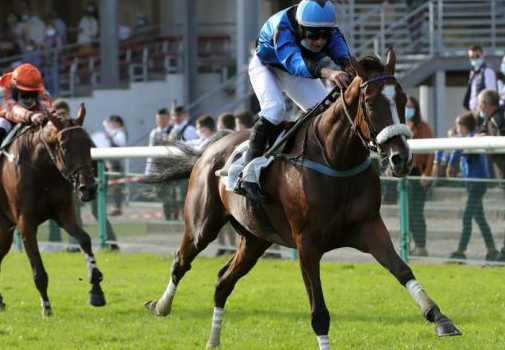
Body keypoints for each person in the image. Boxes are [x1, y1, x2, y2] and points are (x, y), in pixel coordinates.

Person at [235, 0, 351, 202]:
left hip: (294, 71)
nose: (320, 41)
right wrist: (329, 72)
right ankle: (248, 174)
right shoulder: (283, 26)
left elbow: (345, 57)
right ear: (299, 27)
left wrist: (353, 70)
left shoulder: (329, 31)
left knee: (326, 110)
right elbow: (294, 62)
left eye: (325, 35)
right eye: (313, 34)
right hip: (267, 67)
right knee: (275, 109)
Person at [446, 112, 498, 261]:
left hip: (477, 183)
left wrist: (450, 165)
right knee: (479, 218)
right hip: (472, 183)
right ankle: (492, 249)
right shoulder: (467, 138)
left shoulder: (470, 138)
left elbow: (457, 149)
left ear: (464, 126)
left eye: (458, 126)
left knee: (467, 217)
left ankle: (461, 251)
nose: (457, 129)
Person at [475, 89, 505, 261]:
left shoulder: (498, 118)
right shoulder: (493, 118)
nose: (478, 107)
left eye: (479, 103)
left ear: (485, 104)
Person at [405, 96, 434, 257]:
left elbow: (430, 152)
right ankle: (410, 245)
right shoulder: (403, 125)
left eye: (410, 106)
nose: (407, 109)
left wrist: (427, 173)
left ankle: (421, 245)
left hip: (419, 174)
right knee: (407, 212)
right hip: (406, 173)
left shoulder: (423, 127)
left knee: (416, 212)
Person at [0, 63, 49, 145]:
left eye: (34, 94)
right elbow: (11, 109)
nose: (30, 100)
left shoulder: (37, 86)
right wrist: (30, 115)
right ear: (14, 86)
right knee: (3, 124)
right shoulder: (3, 86)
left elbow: (47, 106)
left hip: (28, 115)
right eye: (25, 95)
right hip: (4, 115)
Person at [103, 115, 128, 216]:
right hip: (111, 163)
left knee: (116, 187)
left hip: (117, 164)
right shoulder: (114, 132)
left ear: (118, 123)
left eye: (113, 122)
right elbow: (105, 124)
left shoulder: (120, 132)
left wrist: (111, 136)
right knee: (113, 187)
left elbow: (121, 142)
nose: (111, 124)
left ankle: (118, 207)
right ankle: (114, 207)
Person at [463, 45, 497, 112]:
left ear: (483, 56)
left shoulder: (487, 71)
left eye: (477, 56)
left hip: (482, 110)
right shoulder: (473, 72)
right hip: (473, 110)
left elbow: (491, 93)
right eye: (472, 57)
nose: (475, 59)